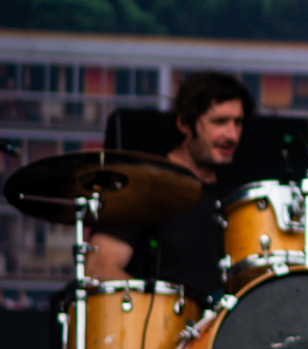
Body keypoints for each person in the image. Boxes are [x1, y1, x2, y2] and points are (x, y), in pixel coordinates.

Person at [87, 71, 254, 306]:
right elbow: (99, 268)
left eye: (238, 123)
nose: (232, 135)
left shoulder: (241, 198)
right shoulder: (143, 185)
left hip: (225, 325)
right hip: (159, 323)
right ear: (184, 123)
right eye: (219, 122)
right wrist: (160, 312)